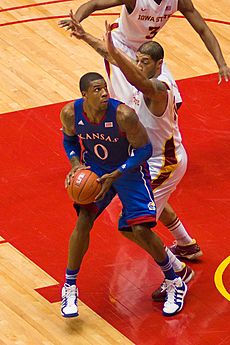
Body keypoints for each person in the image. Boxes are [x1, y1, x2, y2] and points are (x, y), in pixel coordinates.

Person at [60, 71, 187, 318]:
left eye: (104, 88)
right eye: (97, 90)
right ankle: (69, 286)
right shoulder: (70, 114)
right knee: (83, 220)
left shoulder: (123, 115)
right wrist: (75, 164)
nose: (104, 93)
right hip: (96, 169)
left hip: (129, 170)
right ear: (84, 95)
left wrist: (118, 172)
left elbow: (144, 150)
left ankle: (175, 281)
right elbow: (69, 141)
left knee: (138, 229)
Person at [59, 0, 230, 108]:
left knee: (172, 99)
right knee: (131, 106)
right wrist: (78, 19)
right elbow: (94, 4)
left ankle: (162, 142)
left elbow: (202, 29)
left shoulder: (179, 1)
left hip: (145, 51)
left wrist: (221, 63)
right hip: (120, 46)